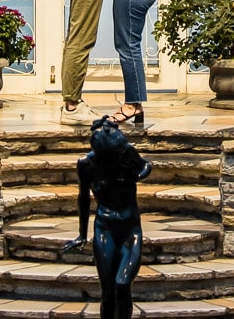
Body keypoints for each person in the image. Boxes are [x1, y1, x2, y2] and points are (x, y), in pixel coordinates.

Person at [61, 116, 151, 319]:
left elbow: (147, 166)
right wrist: (82, 235)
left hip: (130, 229)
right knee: (108, 290)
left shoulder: (126, 152)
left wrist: (137, 176)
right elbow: (83, 199)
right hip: (104, 227)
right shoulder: (86, 164)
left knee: (122, 283)